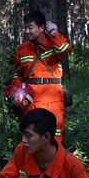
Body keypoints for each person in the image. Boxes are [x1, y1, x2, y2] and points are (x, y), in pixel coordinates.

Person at [12, 10, 71, 142]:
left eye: (30, 27)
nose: (27, 31)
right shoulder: (22, 49)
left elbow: (64, 48)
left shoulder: (53, 44)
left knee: (54, 139)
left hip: (53, 100)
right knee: (31, 139)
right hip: (30, 101)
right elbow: (16, 72)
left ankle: (57, 163)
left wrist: (53, 31)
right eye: (25, 28)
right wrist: (17, 90)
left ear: (42, 28)